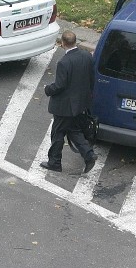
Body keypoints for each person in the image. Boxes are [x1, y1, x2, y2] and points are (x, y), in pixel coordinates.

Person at [41, 30, 98, 174]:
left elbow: (60, 85)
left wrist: (47, 89)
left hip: (65, 107)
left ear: (62, 43)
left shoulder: (64, 62)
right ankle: (89, 155)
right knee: (73, 130)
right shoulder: (86, 56)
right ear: (75, 41)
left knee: (57, 133)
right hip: (80, 104)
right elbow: (91, 78)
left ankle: (54, 162)